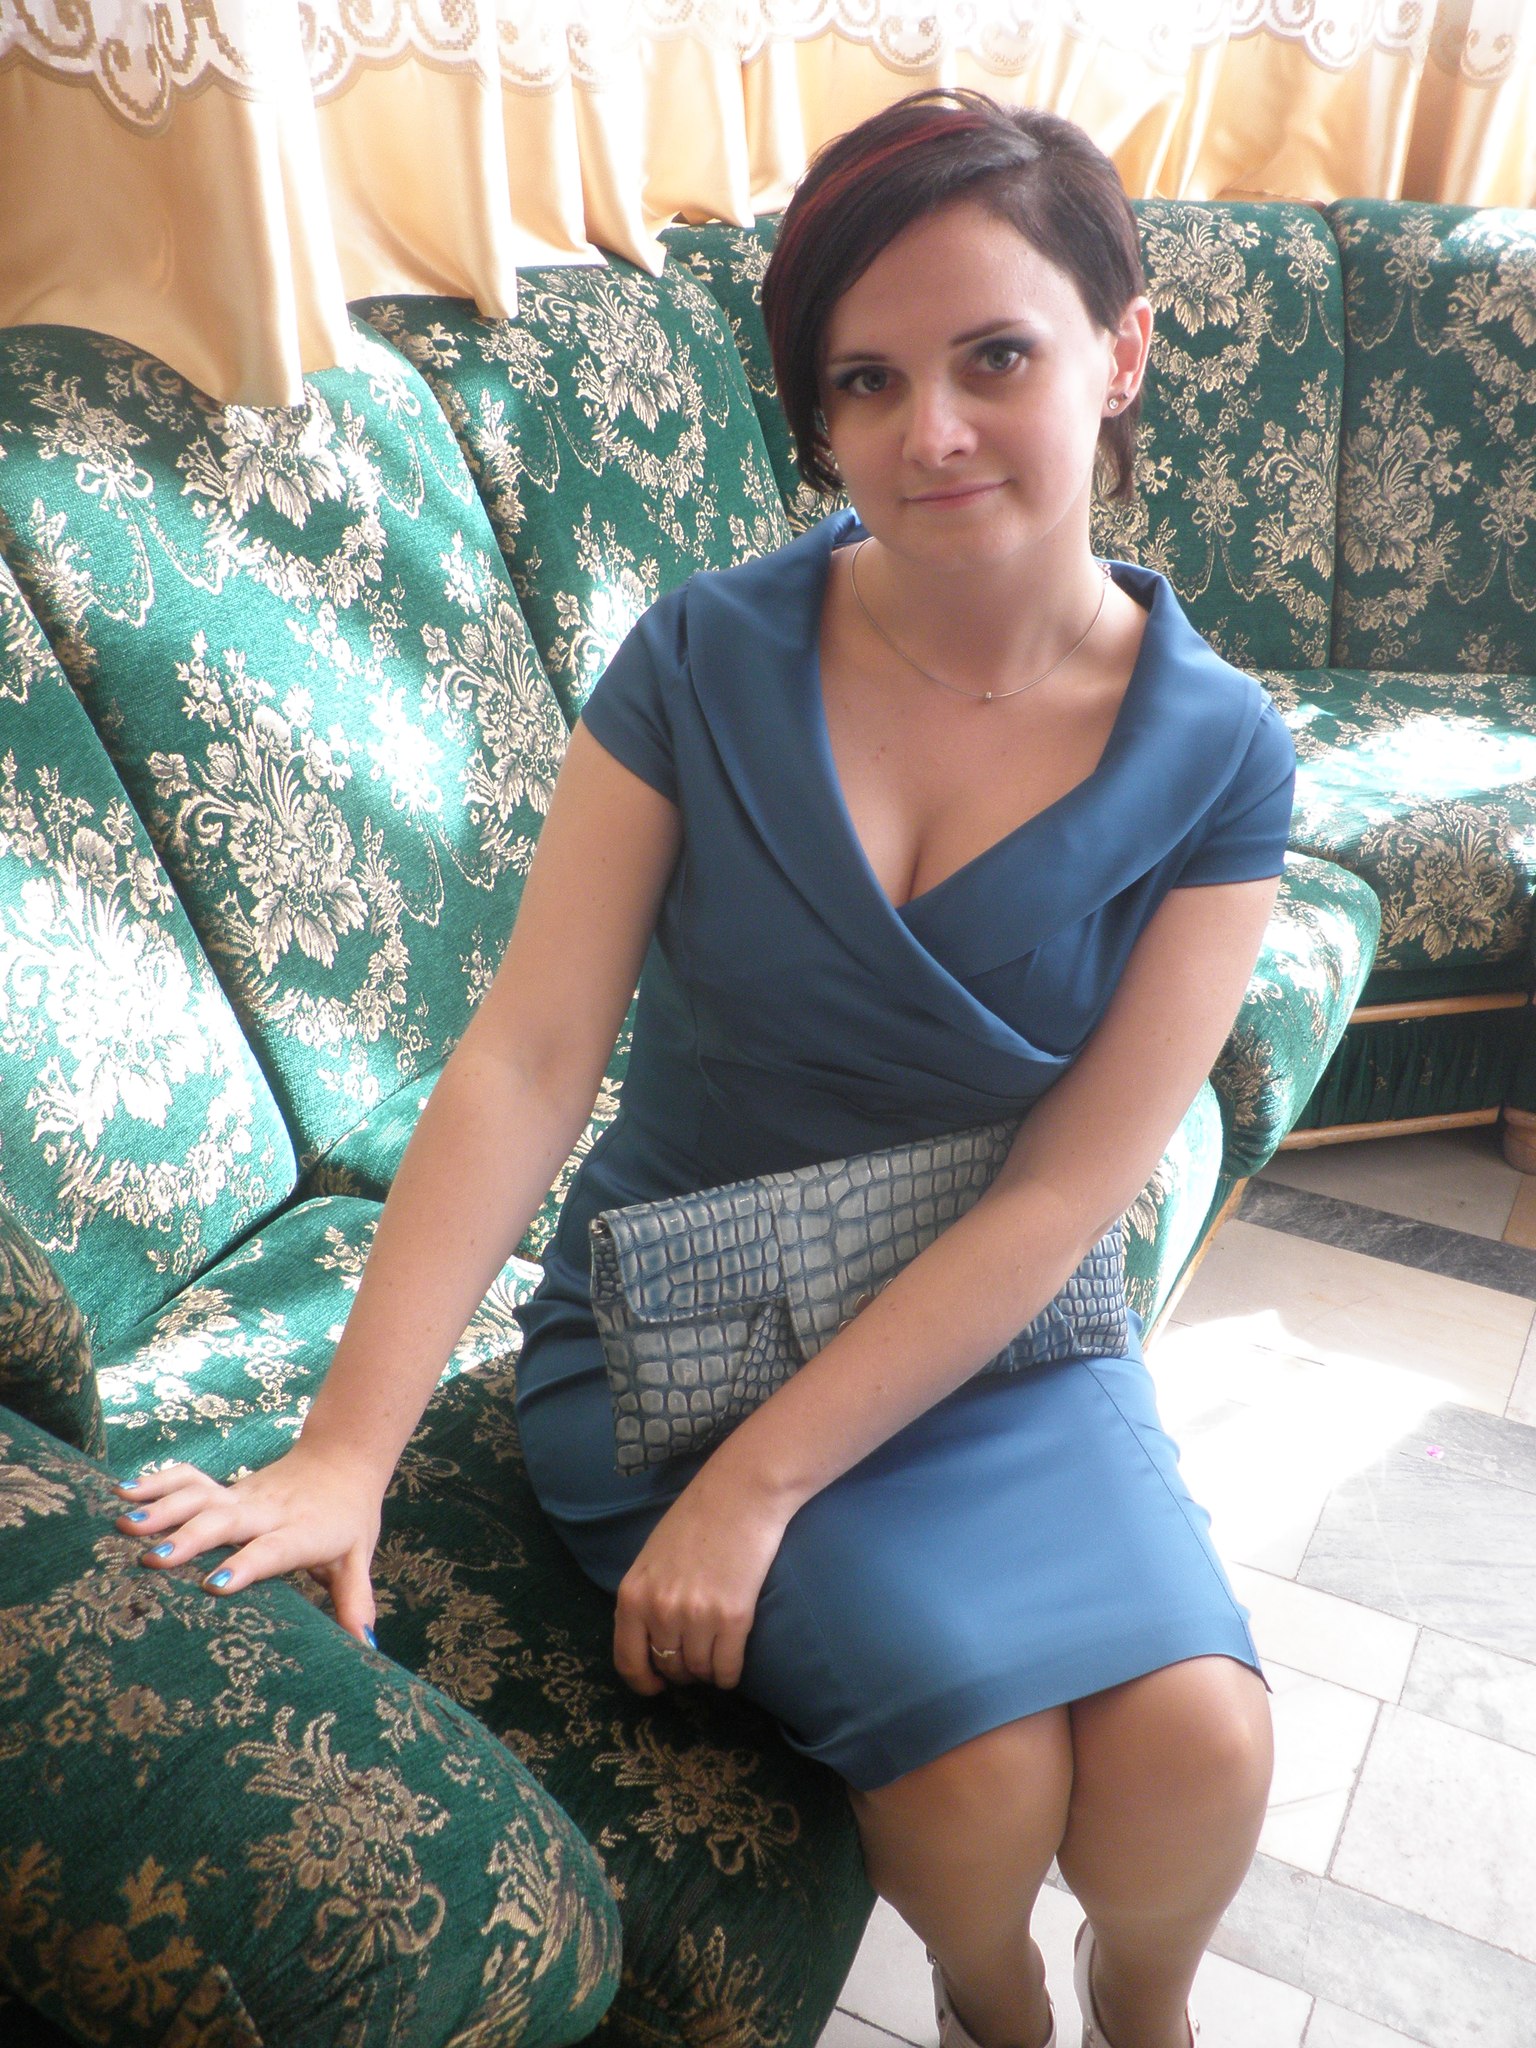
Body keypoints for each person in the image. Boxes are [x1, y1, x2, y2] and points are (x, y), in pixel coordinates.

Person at [114, 89, 1295, 2048]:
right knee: (979, 1784)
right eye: (866, 381)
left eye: (996, 357)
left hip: (997, 1335)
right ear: (817, 415)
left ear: (1121, 350)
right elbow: (530, 1056)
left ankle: (1143, 2003)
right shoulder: (701, 661)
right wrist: (344, 1451)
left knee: (1206, 1747)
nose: (931, 431)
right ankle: (1001, 2006)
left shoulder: (1223, 752)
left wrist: (765, 1491)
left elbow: (1067, 1192)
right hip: (672, 1341)